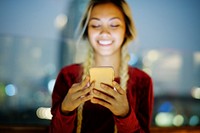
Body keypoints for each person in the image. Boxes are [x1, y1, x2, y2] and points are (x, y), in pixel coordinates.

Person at [49, 0, 154, 133]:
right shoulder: (68, 75)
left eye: (114, 25)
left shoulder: (142, 81)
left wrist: (125, 115)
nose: (104, 32)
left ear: (126, 31)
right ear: (86, 31)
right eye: (96, 25)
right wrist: (65, 110)